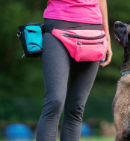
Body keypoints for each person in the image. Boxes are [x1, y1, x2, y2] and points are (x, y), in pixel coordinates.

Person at [36, 0, 112, 140]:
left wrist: (106, 34)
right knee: (55, 101)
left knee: (76, 106)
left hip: (93, 33)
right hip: (58, 26)